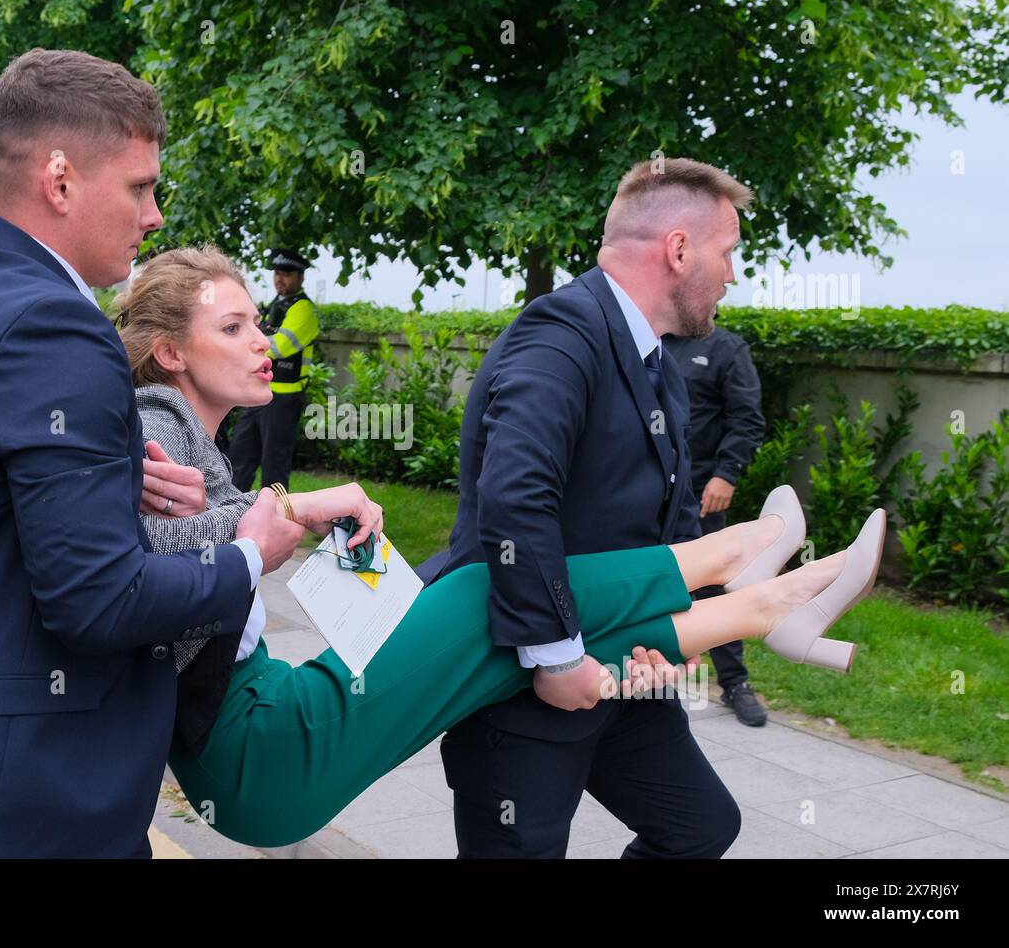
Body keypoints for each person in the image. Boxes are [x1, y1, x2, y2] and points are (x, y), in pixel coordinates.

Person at [112, 244, 885, 850]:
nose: (264, 343)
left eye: (257, 322)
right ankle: (745, 566)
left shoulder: (196, 443)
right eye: (233, 328)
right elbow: (138, 558)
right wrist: (295, 503)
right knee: (484, 591)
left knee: (500, 619)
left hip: (258, 720)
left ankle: (757, 601)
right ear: (172, 354)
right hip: (252, 749)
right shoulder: (155, 422)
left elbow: (210, 526)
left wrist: (277, 508)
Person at [0, 49, 302, 858]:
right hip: (31, 804)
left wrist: (110, 477)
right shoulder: (57, 328)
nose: (155, 213)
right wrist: (245, 556)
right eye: (139, 186)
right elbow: (97, 601)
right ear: (59, 181)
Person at [425, 157, 771, 859]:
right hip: (525, 690)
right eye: (728, 252)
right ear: (679, 250)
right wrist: (555, 657)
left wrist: (665, 633)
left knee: (701, 828)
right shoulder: (560, 332)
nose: (733, 273)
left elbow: (664, 528)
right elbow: (516, 496)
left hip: (622, 676)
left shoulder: (656, 365)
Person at [665, 324, 769, 725]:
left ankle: (735, 682)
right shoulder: (649, 339)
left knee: (714, 585)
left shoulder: (727, 348)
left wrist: (727, 474)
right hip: (645, 489)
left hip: (700, 492)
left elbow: (746, 418)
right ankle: (636, 674)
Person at [228, 247, 320, 490]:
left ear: (301, 277)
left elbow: (279, 347)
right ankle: (231, 518)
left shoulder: (303, 310)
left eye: (287, 273)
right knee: (239, 459)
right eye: (277, 273)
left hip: (283, 398)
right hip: (257, 393)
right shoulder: (275, 305)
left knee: (274, 466)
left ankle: (276, 522)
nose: (280, 278)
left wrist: (242, 342)